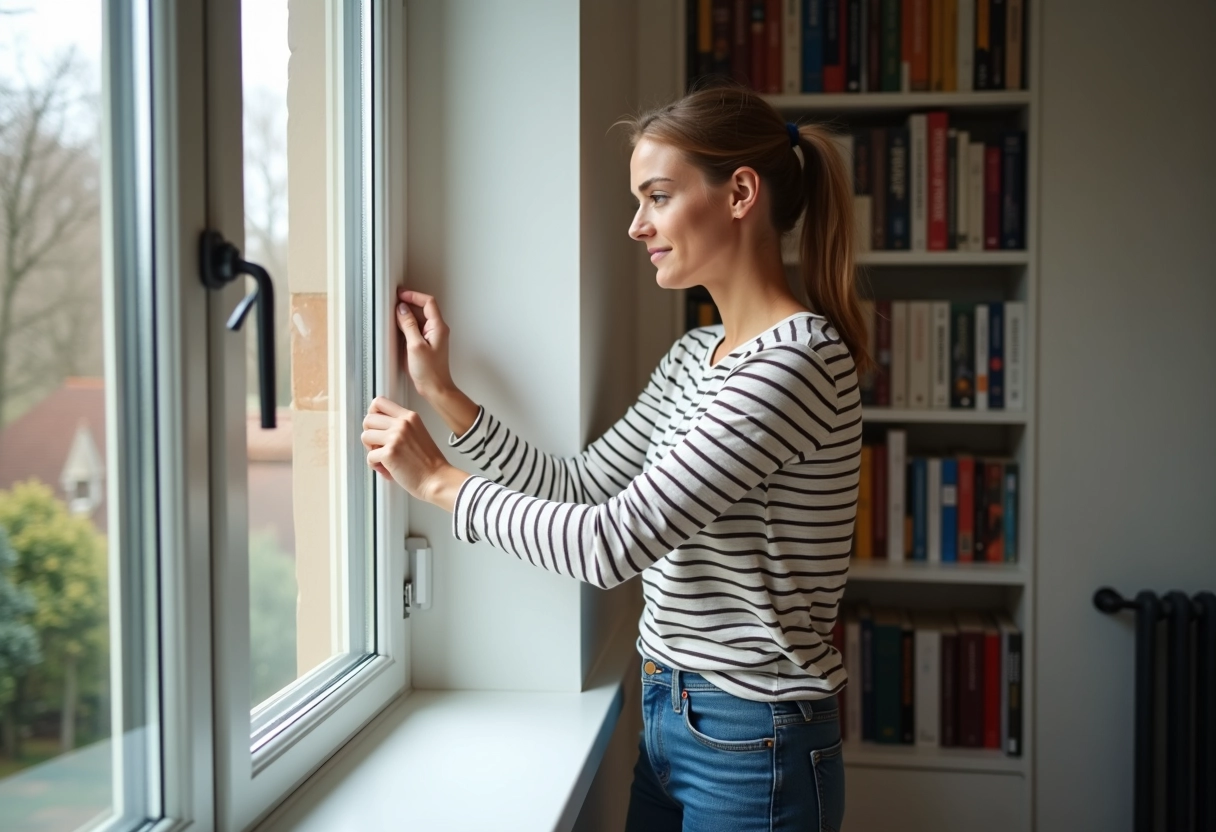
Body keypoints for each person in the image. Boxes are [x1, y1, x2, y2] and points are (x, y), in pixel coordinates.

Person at [361, 85, 869, 832]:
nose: (637, 226)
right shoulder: (698, 354)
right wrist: (444, 392)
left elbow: (609, 544)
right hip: (670, 716)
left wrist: (438, 482)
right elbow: (584, 486)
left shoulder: (795, 362)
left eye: (657, 196)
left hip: (752, 739)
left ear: (740, 193)